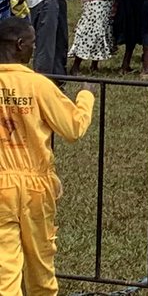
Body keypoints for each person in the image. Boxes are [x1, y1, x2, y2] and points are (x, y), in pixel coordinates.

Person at [0, 16, 95, 296]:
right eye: (32, 42)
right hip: (34, 187)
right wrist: (86, 97)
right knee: (41, 268)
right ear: (19, 45)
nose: (34, 48)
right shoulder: (38, 85)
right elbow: (73, 128)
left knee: (5, 269)